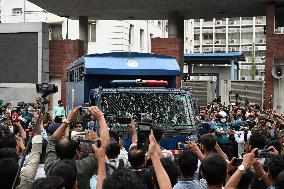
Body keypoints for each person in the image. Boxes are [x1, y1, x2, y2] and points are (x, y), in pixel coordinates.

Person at [45, 106, 109, 189]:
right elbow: (104, 146)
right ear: (76, 153)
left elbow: (52, 141)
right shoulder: (83, 166)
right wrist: (101, 118)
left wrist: (68, 120)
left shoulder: (51, 167)